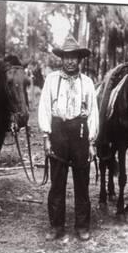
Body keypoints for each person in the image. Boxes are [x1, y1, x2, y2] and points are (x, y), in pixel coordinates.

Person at [38, 35, 99, 241]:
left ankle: (82, 226)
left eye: (74, 57)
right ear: (61, 58)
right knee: (57, 182)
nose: (70, 61)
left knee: (82, 182)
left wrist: (91, 142)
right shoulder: (51, 80)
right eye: (67, 57)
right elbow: (45, 108)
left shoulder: (87, 83)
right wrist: (46, 136)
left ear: (79, 59)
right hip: (58, 133)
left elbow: (93, 113)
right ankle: (56, 226)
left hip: (80, 133)